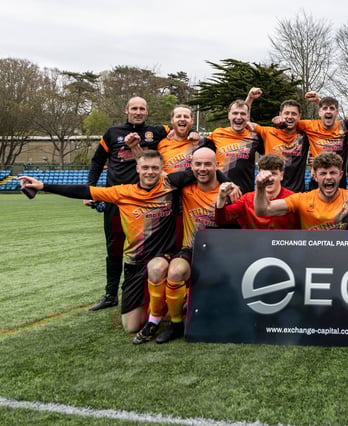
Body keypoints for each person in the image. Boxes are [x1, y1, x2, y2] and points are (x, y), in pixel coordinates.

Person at [20, 150, 212, 333]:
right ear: (137, 169)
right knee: (131, 326)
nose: (150, 172)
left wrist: (231, 185)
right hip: (134, 264)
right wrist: (43, 186)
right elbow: (84, 190)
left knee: (164, 271)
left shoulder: (171, 184)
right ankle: (159, 307)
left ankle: (174, 304)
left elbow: (207, 170)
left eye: (155, 168)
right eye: (145, 168)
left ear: (162, 169)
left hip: (163, 258)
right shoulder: (122, 192)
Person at [85, 97, 169, 312]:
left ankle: (147, 294)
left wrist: (194, 135)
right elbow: (96, 161)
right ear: (127, 110)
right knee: (114, 247)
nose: (138, 112)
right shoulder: (112, 133)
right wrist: (91, 188)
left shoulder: (157, 132)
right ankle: (111, 294)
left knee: (147, 247)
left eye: (142, 108)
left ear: (147, 111)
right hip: (117, 199)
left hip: (147, 201)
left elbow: (180, 133)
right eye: (134, 108)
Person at [134, 147, 223, 344]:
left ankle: (183, 316)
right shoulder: (184, 189)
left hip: (220, 252)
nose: (202, 168)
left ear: (217, 165)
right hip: (190, 249)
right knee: (169, 270)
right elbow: (147, 185)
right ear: (190, 167)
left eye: (208, 164)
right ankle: (164, 322)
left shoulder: (228, 190)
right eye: (198, 164)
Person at [254, 152, 348, 230]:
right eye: (323, 173)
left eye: (333, 173)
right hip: (311, 259)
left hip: (346, 259)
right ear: (315, 177)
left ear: (340, 175)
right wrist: (260, 188)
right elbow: (264, 210)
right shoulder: (302, 199)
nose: (328, 177)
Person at [244, 91, 310, 193]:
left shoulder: (304, 136)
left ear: (299, 116)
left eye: (294, 114)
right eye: (286, 113)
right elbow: (246, 122)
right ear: (280, 114)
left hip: (296, 195)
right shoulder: (268, 132)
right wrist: (250, 99)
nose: (290, 116)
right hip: (271, 194)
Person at [215, 154, 299, 229]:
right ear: (258, 174)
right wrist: (221, 199)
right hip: (253, 244)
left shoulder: (293, 199)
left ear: (281, 175)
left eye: (273, 174)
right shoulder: (247, 199)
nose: (269, 178)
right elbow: (222, 220)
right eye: (264, 173)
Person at [204, 100, 261, 194]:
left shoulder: (255, 137)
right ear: (229, 115)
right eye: (235, 113)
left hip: (245, 194)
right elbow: (196, 146)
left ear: (247, 117)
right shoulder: (217, 134)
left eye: (243, 114)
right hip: (220, 193)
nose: (238, 117)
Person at [157, 105, 202, 173]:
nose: (182, 119)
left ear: (192, 121)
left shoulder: (200, 143)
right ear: (172, 120)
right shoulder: (161, 144)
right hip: (168, 183)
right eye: (178, 116)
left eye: (186, 117)